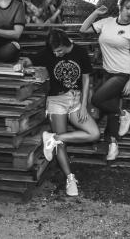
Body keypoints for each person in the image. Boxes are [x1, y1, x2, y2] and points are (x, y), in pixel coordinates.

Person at [22, 28, 100, 197]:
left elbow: (87, 79)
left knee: (94, 134)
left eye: (59, 51)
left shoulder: (79, 52)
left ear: (66, 44)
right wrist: (21, 64)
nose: (56, 54)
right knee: (61, 146)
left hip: (76, 100)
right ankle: (70, 178)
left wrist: (85, 105)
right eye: (54, 51)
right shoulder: (50, 52)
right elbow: (30, 59)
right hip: (56, 101)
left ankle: (54, 138)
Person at [80, 0, 130, 161]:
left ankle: (124, 114)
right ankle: (113, 146)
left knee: (97, 100)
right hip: (107, 72)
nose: (129, 12)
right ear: (120, 7)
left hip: (122, 74)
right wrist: (95, 13)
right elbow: (83, 29)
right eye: (127, 8)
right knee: (110, 110)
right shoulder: (106, 22)